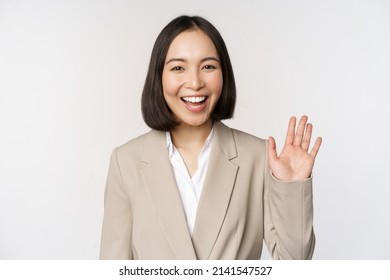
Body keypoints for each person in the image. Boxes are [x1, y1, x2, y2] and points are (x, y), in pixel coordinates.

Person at [99, 15, 322, 260]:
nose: (195, 83)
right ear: (158, 76)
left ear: (223, 74)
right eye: (178, 68)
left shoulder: (257, 157)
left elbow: (295, 262)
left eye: (208, 66)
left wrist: (291, 187)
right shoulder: (126, 161)